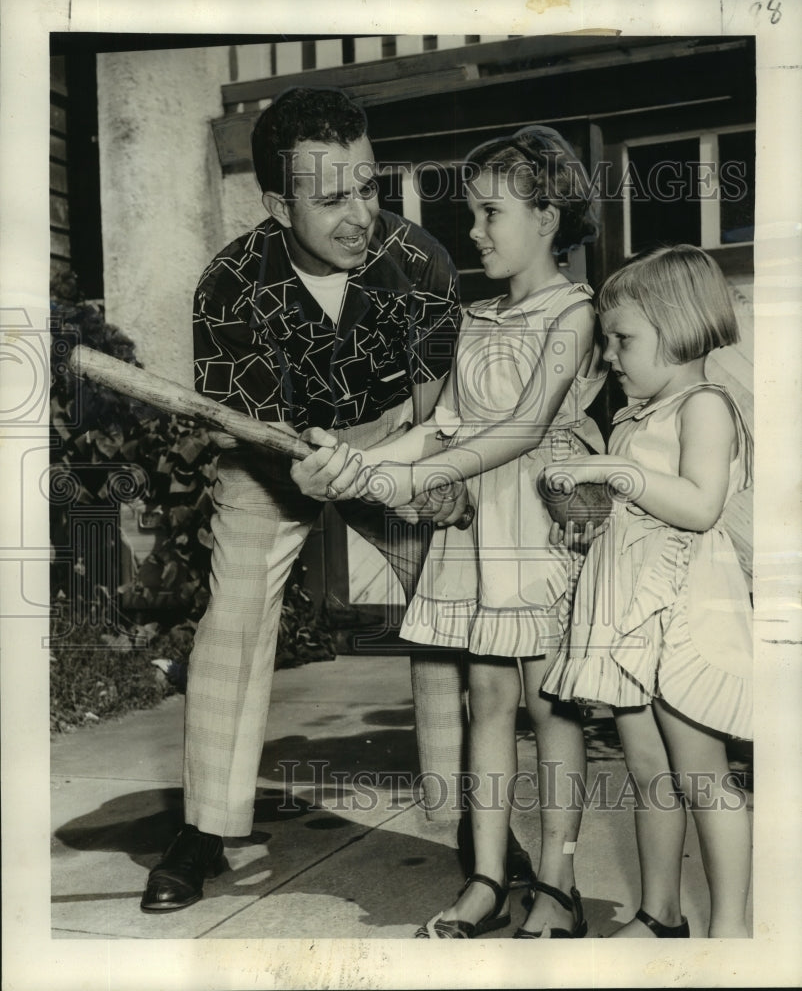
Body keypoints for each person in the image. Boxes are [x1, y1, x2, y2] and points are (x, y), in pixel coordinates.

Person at [140, 86, 534, 914]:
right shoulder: (227, 288)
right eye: (330, 198)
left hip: (397, 438)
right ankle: (207, 827)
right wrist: (308, 469)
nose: (360, 214)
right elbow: (257, 430)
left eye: (367, 186)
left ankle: (473, 821)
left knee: (447, 601)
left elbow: (439, 409)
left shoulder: (420, 259)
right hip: (273, 456)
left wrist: (402, 469)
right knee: (235, 616)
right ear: (279, 203)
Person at [331, 125, 606, 938]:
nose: (475, 231)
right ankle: (487, 876)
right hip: (475, 529)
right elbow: (443, 425)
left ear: (548, 217)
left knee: (550, 704)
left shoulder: (575, 313)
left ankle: (557, 877)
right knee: (486, 695)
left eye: (492, 213)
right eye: (474, 213)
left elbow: (523, 430)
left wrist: (416, 477)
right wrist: (365, 464)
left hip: (534, 525)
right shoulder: (476, 315)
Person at [540, 244, 753, 938]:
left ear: (680, 324)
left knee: (701, 775)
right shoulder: (635, 417)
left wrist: (620, 476)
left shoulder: (706, 407)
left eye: (624, 339)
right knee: (646, 767)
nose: (610, 356)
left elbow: (698, 506)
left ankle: (730, 933)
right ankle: (659, 913)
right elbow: (630, 513)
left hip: (683, 614)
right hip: (629, 614)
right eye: (606, 341)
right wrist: (585, 522)